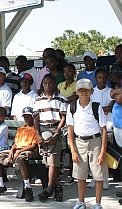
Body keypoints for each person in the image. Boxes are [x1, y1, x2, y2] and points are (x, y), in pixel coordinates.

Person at [67, 79, 108, 209]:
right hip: (79, 142)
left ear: (92, 91)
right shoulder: (72, 107)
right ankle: (81, 201)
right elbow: (70, 129)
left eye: (87, 90)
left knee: (98, 175)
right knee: (80, 175)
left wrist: (102, 153)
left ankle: (98, 203)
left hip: (95, 142)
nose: (84, 93)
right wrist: (73, 150)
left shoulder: (96, 107)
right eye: (81, 90)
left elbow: (104, 130)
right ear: (77, 92)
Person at [0, 107, 39, 201]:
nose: (27, 118)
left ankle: (27, 187)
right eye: (25, 116)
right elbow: (16, 143)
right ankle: (0, 185)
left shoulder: (35, 129)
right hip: (17, 150)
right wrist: (12, 151)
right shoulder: (21, 129)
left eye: (29, 116)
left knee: (20, 159)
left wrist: (19, 152)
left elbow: (33, 146)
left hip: (29, 151)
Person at [33, 73, 67, 202]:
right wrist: (38, 135)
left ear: (55, 84)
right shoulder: (38, 100)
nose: (48, 86)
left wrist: (56, 133)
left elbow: (63, 118)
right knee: (48, 161)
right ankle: (57, 187)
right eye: (45, 83)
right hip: (42, 130)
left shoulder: (61, 99)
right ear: (42, 84)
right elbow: (36, 118)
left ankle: (49, 187)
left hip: (55, 129)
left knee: (53, 159)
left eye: (51, 83)